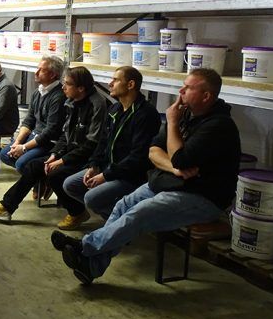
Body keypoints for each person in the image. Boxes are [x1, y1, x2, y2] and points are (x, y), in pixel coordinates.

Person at [52, 68, 241, 285]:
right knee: (122, 206)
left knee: (139, 213)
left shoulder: (218, 125)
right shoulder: (186, 115)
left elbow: (178, 158)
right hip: (169, 181)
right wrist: (174, 168)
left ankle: (85, 246)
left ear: (206, 96)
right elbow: (154, 151)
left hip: (201, 195)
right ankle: (91, 266)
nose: (181, 91)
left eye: (188, 88)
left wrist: (172, 125)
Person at [0, 66, 107, 223]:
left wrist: (61, 161)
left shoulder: (96, 105)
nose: (64, 87)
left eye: (67, 84)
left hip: (89, 158)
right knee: (33, 166)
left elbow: (91, 144)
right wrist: (54, 154)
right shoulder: (72, 101)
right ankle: (6, 207)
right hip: (70, 151)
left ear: (81, 88)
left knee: (54, 174)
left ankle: (77, 212)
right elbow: (65, 136)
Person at [60, 67, 161, 227]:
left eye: (116, 80)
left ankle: (126, 224)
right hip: (108, 168)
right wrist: (94, 166)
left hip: (130, 175)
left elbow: (138, 157)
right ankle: (118, 221)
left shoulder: (146, 114)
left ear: (130, 84)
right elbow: (103, 142)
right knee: (70, 185)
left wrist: (105, 176)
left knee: (91, 198)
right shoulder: (115, 109)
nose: (110, 83)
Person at [0, 56, 66, 174]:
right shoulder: (37, 92)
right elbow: (29, 120)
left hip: (48, 142)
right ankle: (33, 175)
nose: (36, 72)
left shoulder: (59, 96)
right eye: (37, 68)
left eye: (41, 70)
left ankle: (34, 176)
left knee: (21, 163)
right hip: (34, 137)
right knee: (5, 154)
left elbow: (50, 131)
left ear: (52, 75)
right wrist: (17, 142)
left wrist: (24, 147)